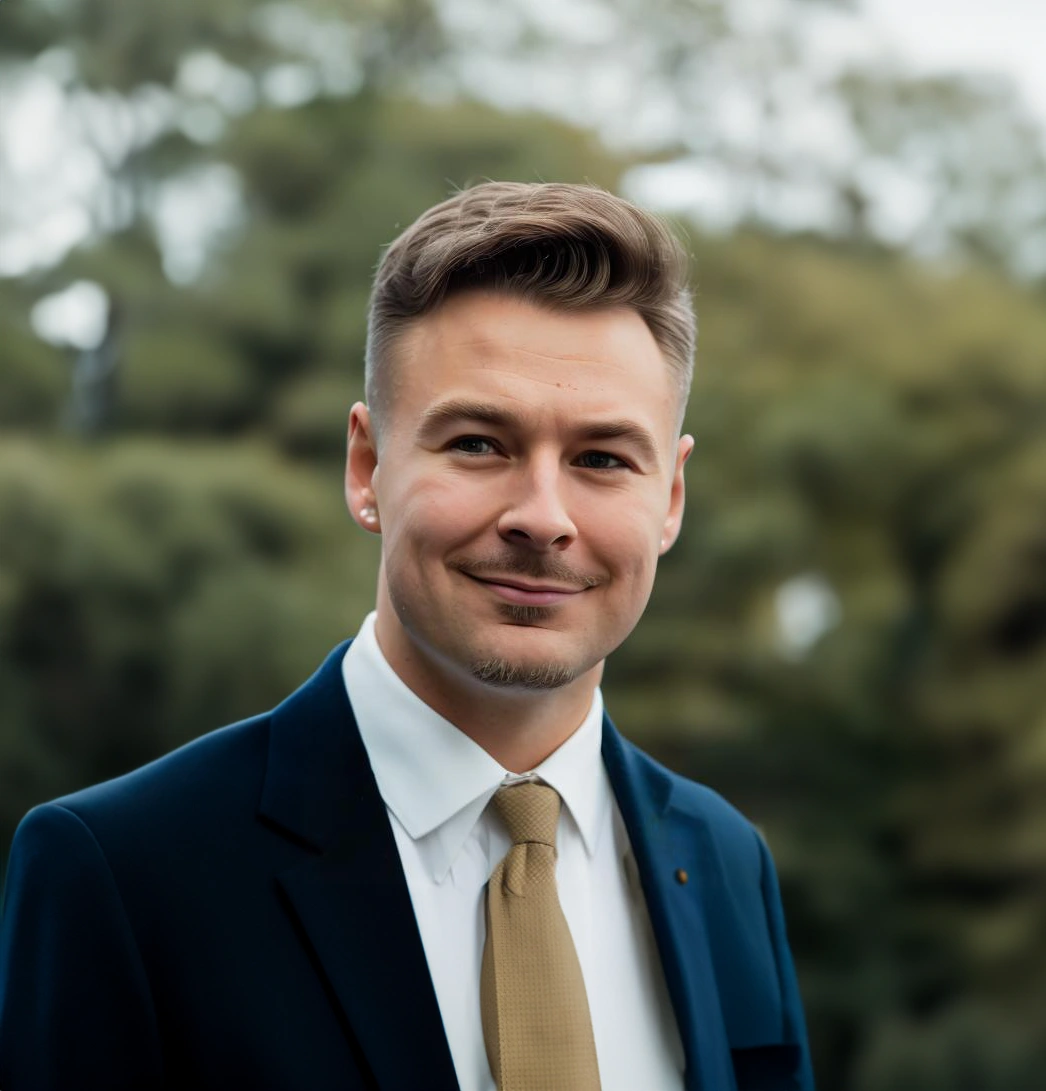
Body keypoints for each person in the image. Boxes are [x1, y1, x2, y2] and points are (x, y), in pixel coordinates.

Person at [0, 182, 814, 1091]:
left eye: (602, 459)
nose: (543, 517)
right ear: (367, 466)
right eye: (478, 443)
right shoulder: (123, 872)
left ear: (670, 499)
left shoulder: (724, 860)